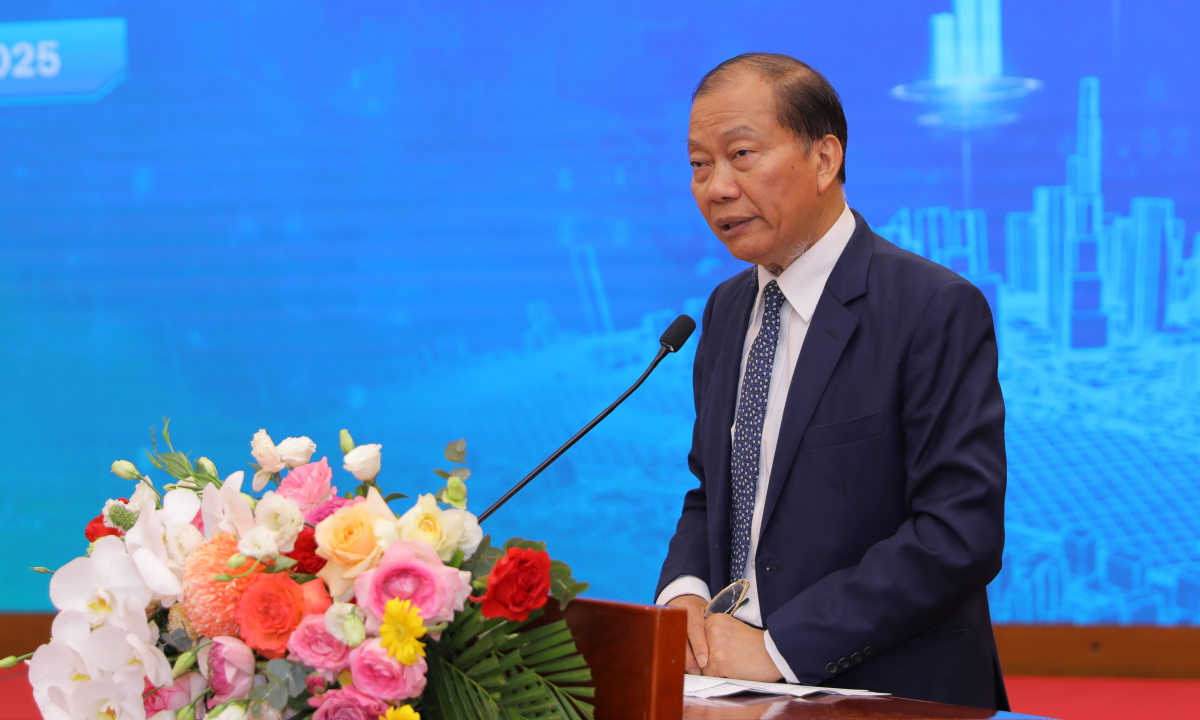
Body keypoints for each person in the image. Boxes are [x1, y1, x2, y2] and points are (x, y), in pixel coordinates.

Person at [655, 52, 1008, 710]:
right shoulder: (726, 310)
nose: (717, 187)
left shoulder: (932, 307)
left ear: (824, 159)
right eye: (700, 164)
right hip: (729, 691)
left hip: (889, 695)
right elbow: (713, 495)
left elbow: (958, 532)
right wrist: (684, 597)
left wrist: (779, 648)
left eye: (741, 155)